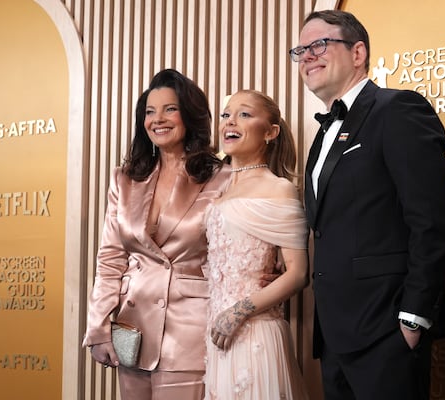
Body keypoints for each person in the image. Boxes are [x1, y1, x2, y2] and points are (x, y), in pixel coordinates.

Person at [290, 10, 445, 400]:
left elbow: (432, 221)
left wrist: (413, 319)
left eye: (319, 44)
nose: (307, 56)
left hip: (388, 331)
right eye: (300, 50)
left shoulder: (397, 110)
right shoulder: (323, 135)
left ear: (359, 52)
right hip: (335, 337)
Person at [82, 69, 231, 399]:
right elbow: (110, 261)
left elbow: (232, 255)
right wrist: (99, 328)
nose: (158, 119)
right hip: (132, 331)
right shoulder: (125, 179)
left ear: (189, 115)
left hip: (189, 332)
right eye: (150, 111)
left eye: (169, 109)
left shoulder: (221, 177)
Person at [203, 90, 310, 399]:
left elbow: (298, 274)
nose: (230, 122)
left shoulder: (279, 189)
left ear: (271, 132)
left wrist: (238, 313)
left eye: (244, 114)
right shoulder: (218, 190)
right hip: (217, 338)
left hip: (255, 333)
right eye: (226, 115)